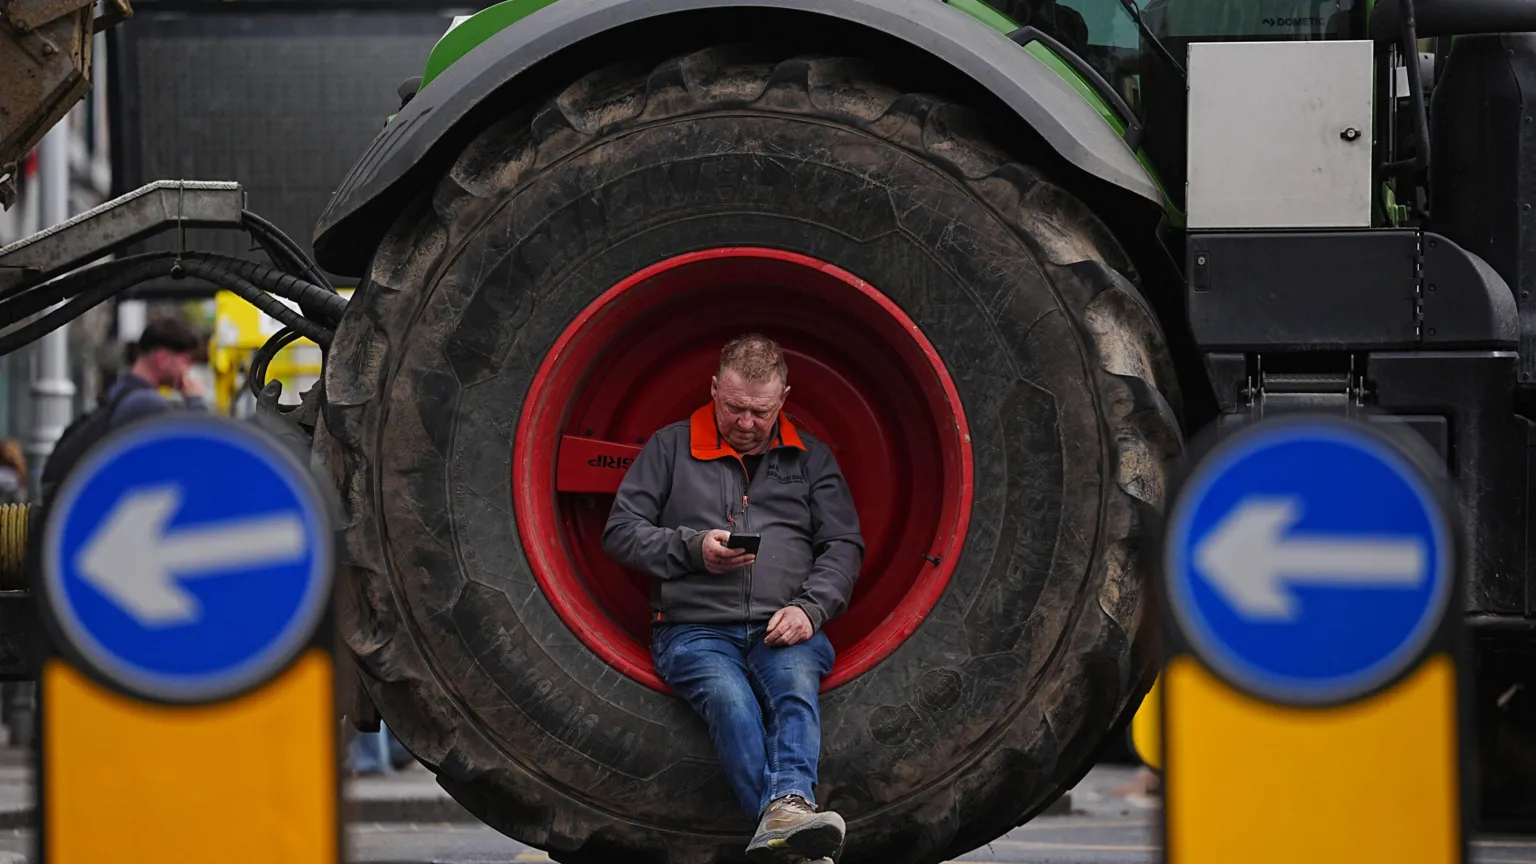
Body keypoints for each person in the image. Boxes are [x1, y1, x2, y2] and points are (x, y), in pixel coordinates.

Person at [602, 334, 864, 864]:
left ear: (784, 398)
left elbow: (843, 545)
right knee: (729, 700)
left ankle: (786, 815)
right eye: (735, 408)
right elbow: (620, 532)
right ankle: (789, 826)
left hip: (784, 623)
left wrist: (810, 609)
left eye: (760, 412)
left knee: (794, 685)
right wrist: (693, 548)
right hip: (692, 627)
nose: (746, 422)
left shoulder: (812, 458)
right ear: (715, 389)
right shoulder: (669, 446)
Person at [40, 317, 208, 499]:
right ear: (163, 359)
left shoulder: (121, 395)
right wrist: (195, 402)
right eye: (186, 361)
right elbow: (192, 452)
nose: (188, 370)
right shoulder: (145, 404)